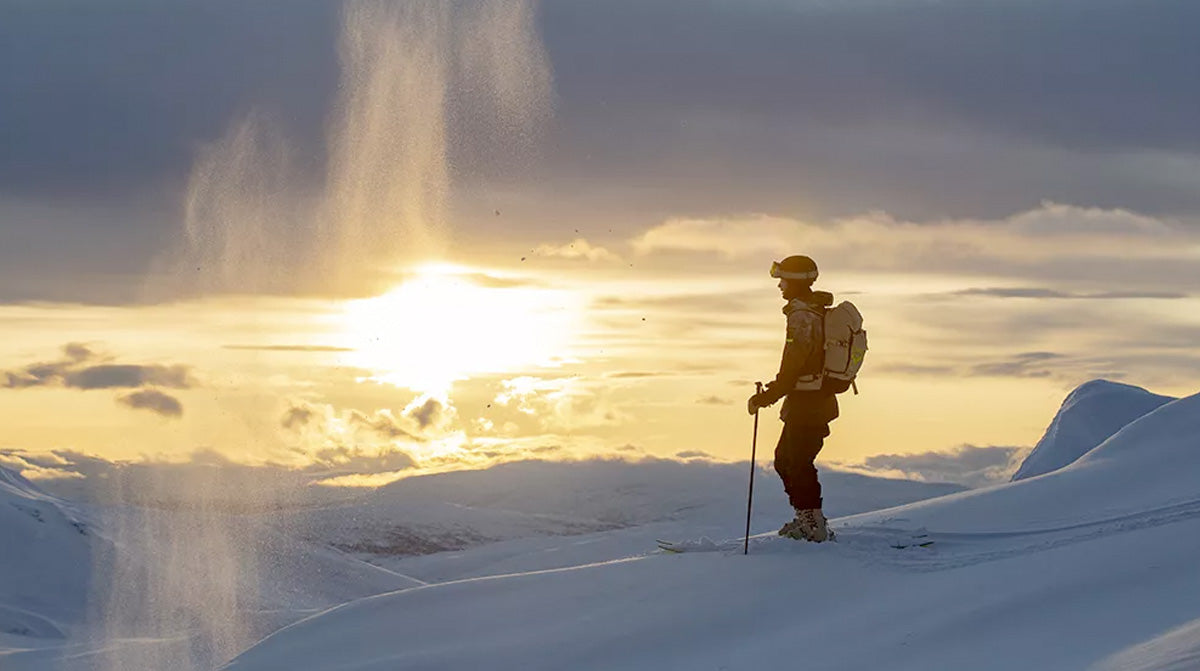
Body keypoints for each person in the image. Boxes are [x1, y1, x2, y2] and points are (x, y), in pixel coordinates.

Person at [747, 255, 839, 542]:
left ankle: (813, 526)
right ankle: (808, 519)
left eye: (783, 280)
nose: (780, 286)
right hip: (813, 397)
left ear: (796, 282)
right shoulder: (815, 310)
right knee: (787, 460)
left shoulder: (802, 316)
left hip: (808, 400)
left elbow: (794, 361)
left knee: (796, 462)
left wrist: (768, 396)